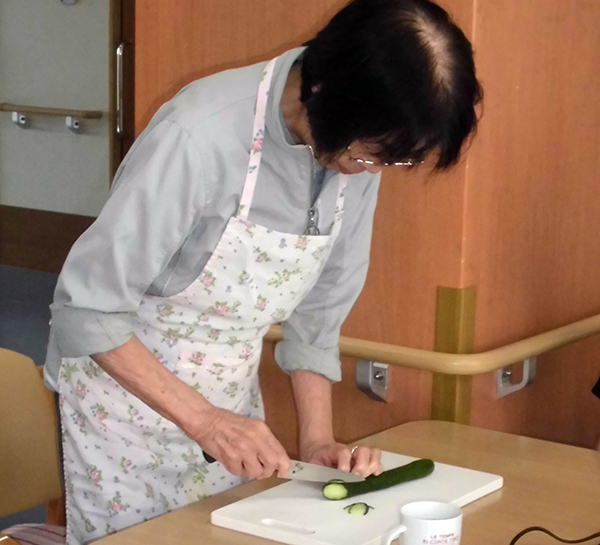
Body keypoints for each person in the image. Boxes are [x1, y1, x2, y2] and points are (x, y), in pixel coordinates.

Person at [44, 0, 482, 543]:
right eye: (370, 155)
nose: (372, 172)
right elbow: (86, 310)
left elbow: (317, 319)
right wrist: (203, 421)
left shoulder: (360, 153)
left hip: (232, 407)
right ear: (324, 94)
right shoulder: (198, 135)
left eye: (391, 162)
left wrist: (317, 443)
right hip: (126, 412)